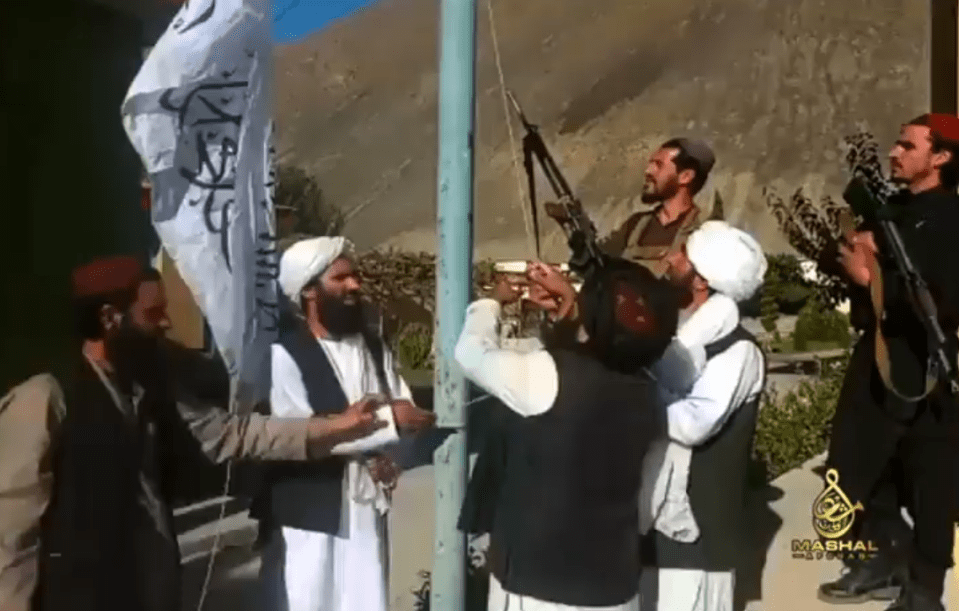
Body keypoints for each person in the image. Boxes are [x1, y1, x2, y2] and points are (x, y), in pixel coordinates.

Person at [7, 256, 390, 611]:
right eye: (154, 314)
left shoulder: (149, 381)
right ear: (110, 318)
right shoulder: (48, 397)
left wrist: (336, 428)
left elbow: (231, 434)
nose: (166, 324)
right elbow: (10, 536)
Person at [456, 257, 680, 611]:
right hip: (613, 588)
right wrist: (573, 310)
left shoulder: (549, 376)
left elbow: (471, 354)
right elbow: (603, 347)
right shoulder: (647, 390)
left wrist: (492, 302)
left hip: (538, 589)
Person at [819, 113, 959, 611]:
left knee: (931, 482)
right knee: (853, 467)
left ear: (940, 158)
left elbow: (939, 298)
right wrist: (856, 254)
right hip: (878, 358)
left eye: (908, 145)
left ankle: (924, 591)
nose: (895, 152)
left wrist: (871, 278)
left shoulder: (948, 217)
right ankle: (878, 559)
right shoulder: (894, 208)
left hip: (926, 365)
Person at [255, 236, 435, 611]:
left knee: (365, 597)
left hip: (365, 506)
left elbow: (403, 407)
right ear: (309, 291)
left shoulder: (372, 346)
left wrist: (393, 453)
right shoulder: (283, 356)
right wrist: (387, 423)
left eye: (354, 277)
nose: (355, 285)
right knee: (310, 597)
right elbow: (300, 434)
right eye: (341, 279)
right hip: (311, 507)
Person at [637, 220, 767, 611]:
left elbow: (694, 423)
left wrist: (633, 402)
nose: (668, 259)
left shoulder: (740, 352)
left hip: (700, 532)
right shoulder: (681, 338)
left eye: (682, 256)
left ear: (701, 281)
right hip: (657, 521)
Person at [549, 138, 714, 277]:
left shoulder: (705, 231)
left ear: (685, 176)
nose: (648, 171)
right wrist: (576, 231)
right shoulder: (636, 226)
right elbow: (596, 266)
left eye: (658, 165)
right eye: (650, 164)